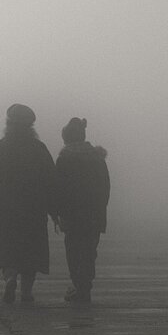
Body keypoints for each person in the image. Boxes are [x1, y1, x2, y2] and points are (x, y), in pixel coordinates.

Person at [0, 103, 56, 303]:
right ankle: (26, 292)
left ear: (8, 125)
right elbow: (51, 179)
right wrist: (54, 209)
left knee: (7, 247)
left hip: (4, 208)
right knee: (32, 249)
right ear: (31, 127)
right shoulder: (39, 149)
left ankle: (10, 277)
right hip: (33, 208)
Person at [52, 118, 110, 304]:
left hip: (72, 215)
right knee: (89, 251)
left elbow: (58, 188)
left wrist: (57, 212)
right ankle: (85, 287)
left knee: (74, 251)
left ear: (66, 138)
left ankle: (79, 286)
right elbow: (105, 187)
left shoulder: (64, 159)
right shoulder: (97, 159)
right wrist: (101, 208)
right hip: (94, 215)